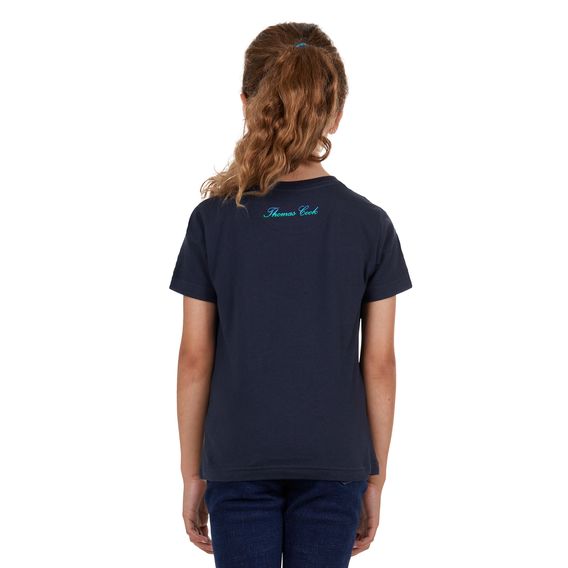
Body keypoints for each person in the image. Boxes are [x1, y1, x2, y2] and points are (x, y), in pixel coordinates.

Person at [169, 22, 413, 568]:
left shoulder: (212, 221)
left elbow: (194, 358)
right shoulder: (369, 224)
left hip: (237, 457)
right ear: (336, 113)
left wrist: (191, 473)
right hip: (335, 460)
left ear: (246, 103)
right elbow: (379, 363)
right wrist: (375, 478)